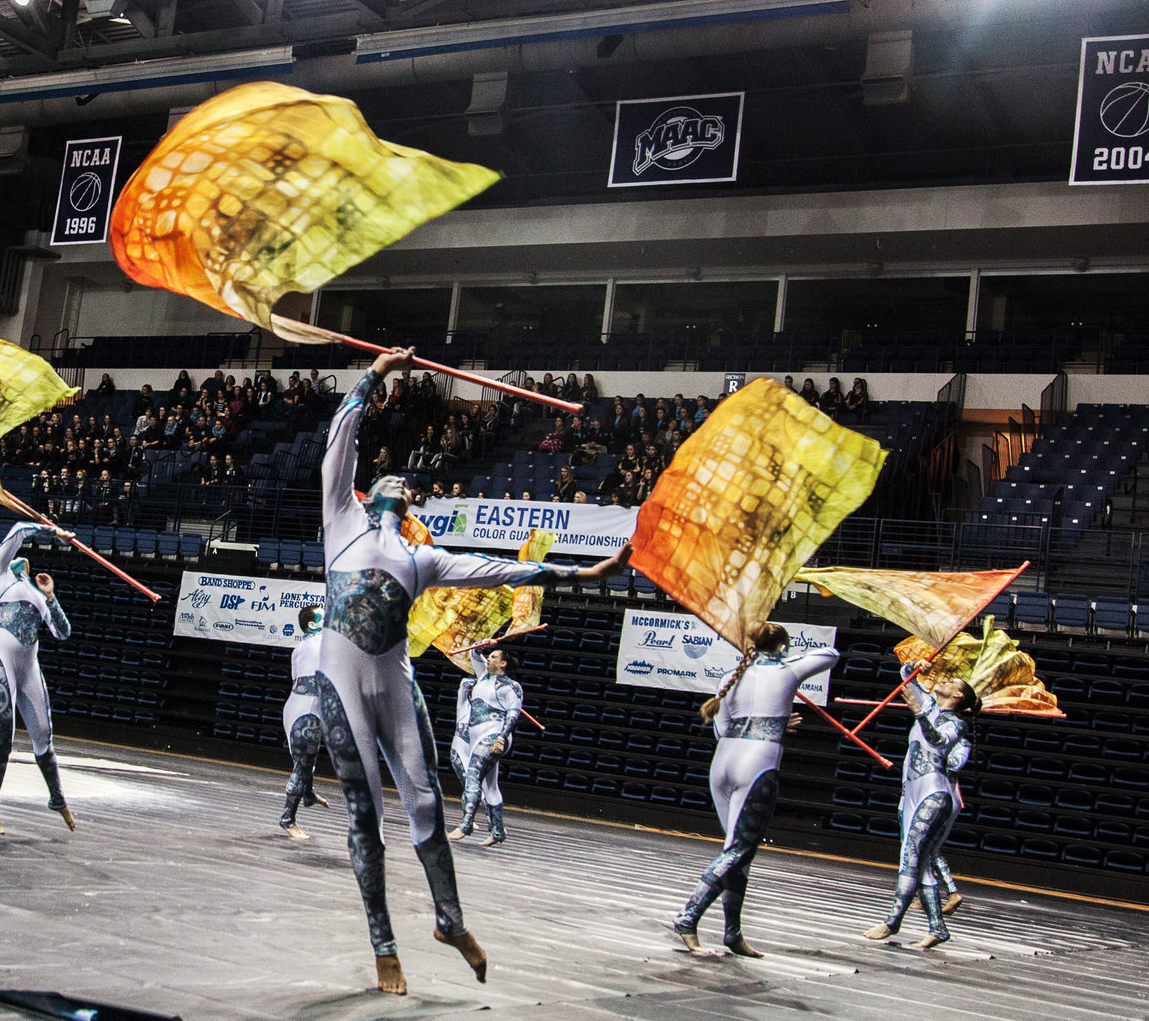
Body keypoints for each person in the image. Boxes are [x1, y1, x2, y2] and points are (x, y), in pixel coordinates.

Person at [316, 348, 630, 995]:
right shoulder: (339, 516)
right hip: (341, 684)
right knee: (364, 815)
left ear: (407, 508)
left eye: (408, 486)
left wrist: (581, 572)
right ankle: (382, 944)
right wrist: (378, 373)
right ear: (368, 491)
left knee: (428, 800)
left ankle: (449, 919)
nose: (400, 481)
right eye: (390, 478)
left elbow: (498, 568)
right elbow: (342, 435)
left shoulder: (420, 557)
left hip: (394, 682)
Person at [670, 623, 839, 956]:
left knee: (737, 853)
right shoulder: (787, 669)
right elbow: (831, 655)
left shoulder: (730, 677)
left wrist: (774, 718)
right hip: (757, 762)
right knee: (738, 851)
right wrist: (784, 658)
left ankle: (733, 933)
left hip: (724, 761)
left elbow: (722, 729)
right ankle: (687, 916)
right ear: (781, 646)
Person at [865, 666, 978, 948]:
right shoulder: (929, 704)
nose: (945, 679)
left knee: (911, 857)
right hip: (910, 795)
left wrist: (918, 712)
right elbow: (905, 675)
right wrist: (916, 667)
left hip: (933, 793)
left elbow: (938, 742)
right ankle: (937, 928)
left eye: (952, 682)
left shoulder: (957, 725)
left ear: (958, 695)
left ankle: (892, 921)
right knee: (923, 863)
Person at [0, 521, 77, 835]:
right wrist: (55, 532)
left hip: (28, 667)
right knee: (3, 738)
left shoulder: (36, 593)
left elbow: (63, 633)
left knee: (44, 738)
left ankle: (57, 797)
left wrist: (50, 597)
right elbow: (19, 528)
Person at [449, 647, 522, 847]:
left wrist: (501, 738)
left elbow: (513, 714)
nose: (488, 659)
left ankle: (466, 824)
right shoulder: (482, 677)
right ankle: (497, 831)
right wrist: (485, 643)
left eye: (492, 657)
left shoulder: (511, 687)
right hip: (477, 738)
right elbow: (474, 653)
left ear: (503, 663)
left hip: (494, 736)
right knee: (490, 785)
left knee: (473, 774)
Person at [279, 603, 331, 840]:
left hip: (298, 705)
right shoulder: (322, 642)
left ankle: (308, 795)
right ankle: (288, 819)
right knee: (302, 766)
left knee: (306, 760)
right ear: (312, 624)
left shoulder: (300, 648)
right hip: (307, 710)